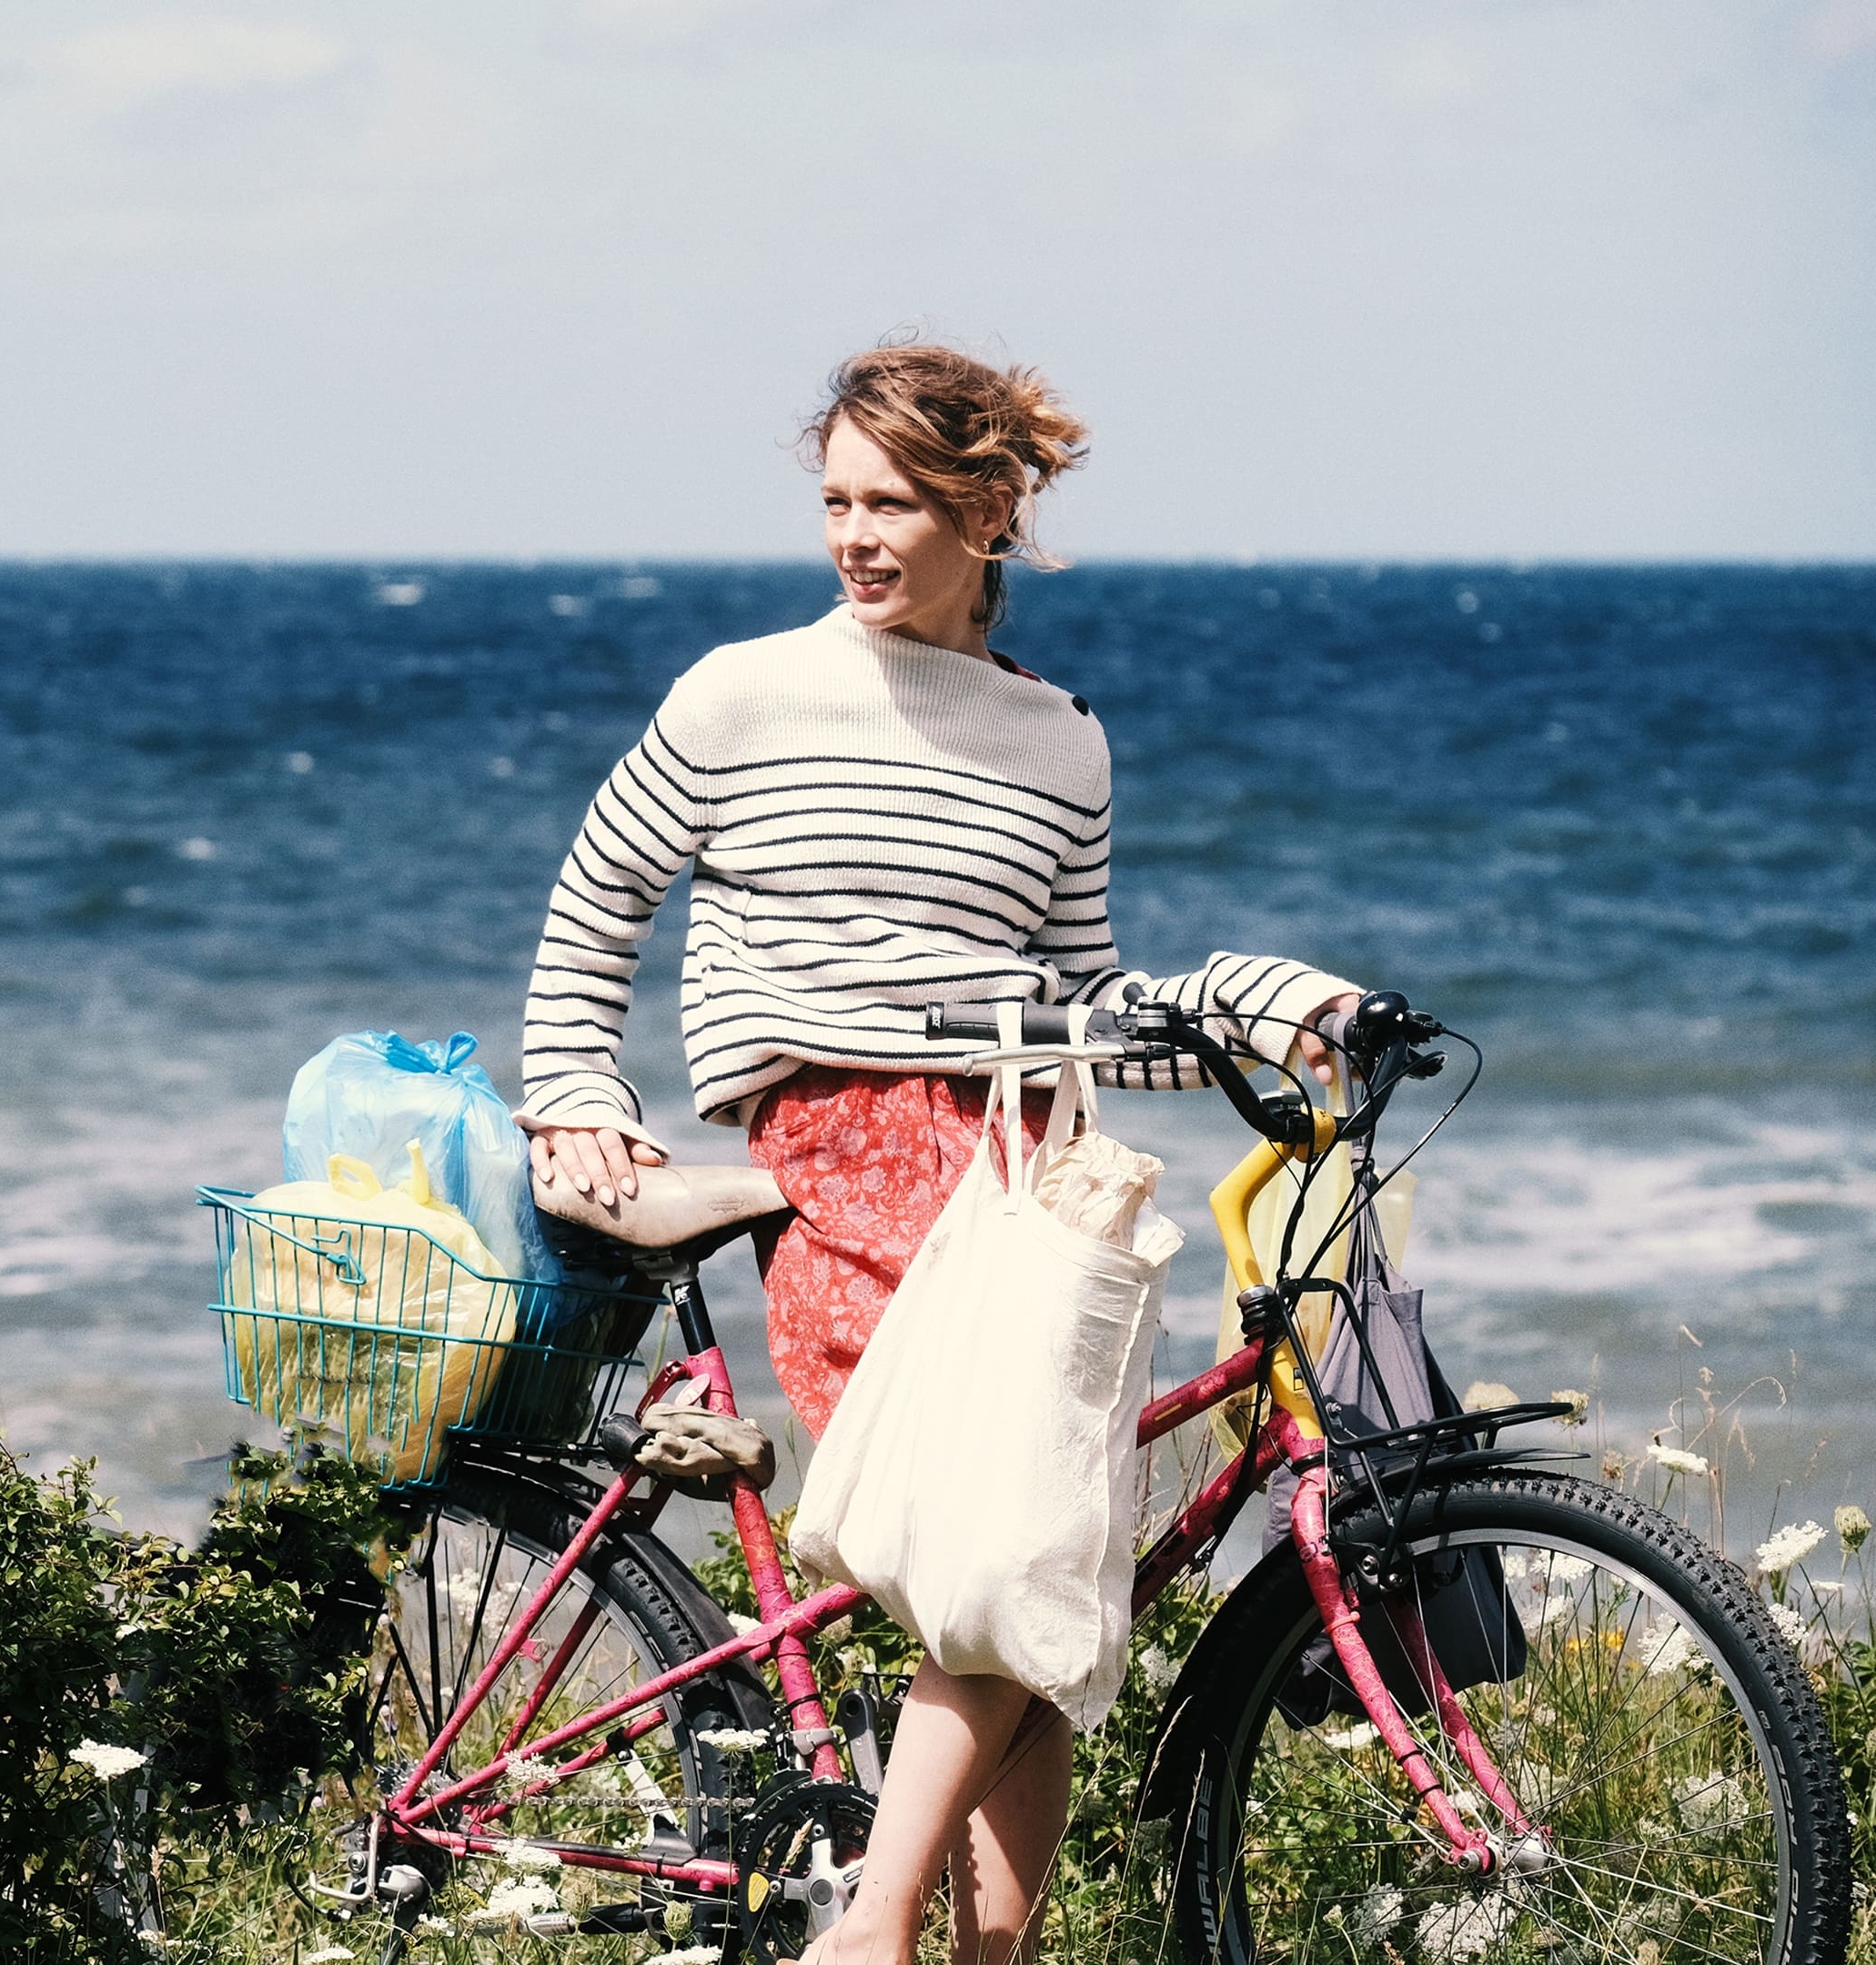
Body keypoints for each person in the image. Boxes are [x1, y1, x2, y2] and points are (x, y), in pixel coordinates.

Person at [515, 342, 1357, 1964]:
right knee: (1004, 1546)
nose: (855, 535)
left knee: (1041, 1575)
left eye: (893, 503)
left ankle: (981, 1950)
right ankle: (876, 1928)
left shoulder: (1061, 741)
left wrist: (1262, 1005)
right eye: (837, 501)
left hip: (1025, 1161)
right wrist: (575, 1091)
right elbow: (598, 900)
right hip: (842, 1152)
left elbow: (1083, 1002)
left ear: (987, 513)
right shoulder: (743, 693)